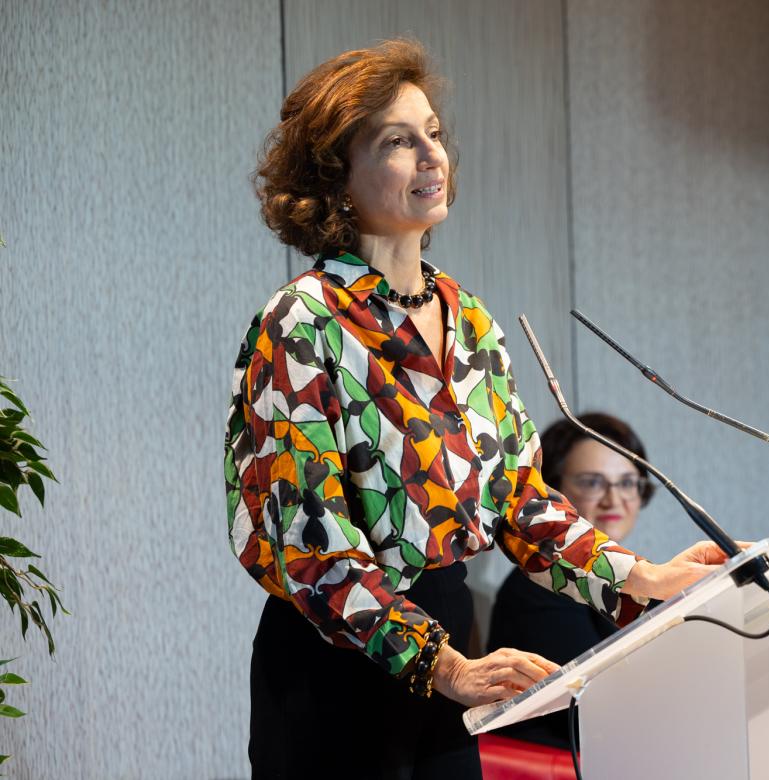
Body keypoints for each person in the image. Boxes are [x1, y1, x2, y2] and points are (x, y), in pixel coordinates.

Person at [224, 39, 733, 780]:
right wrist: (444, 663)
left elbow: (519, 500)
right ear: (336, 177)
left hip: (449, 652)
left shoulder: (469, 319)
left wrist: (642, 577)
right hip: (335, 673)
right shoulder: (302, 323)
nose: (433, 154)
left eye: (433, 132)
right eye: (399, 140)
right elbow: (311, 547)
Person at [487, 412, 655, 749]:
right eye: (593, 482)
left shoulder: (640, 580)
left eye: (626, 482)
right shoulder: (536, 584)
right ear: (550, 493)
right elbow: (593, 704)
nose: (614, 499)